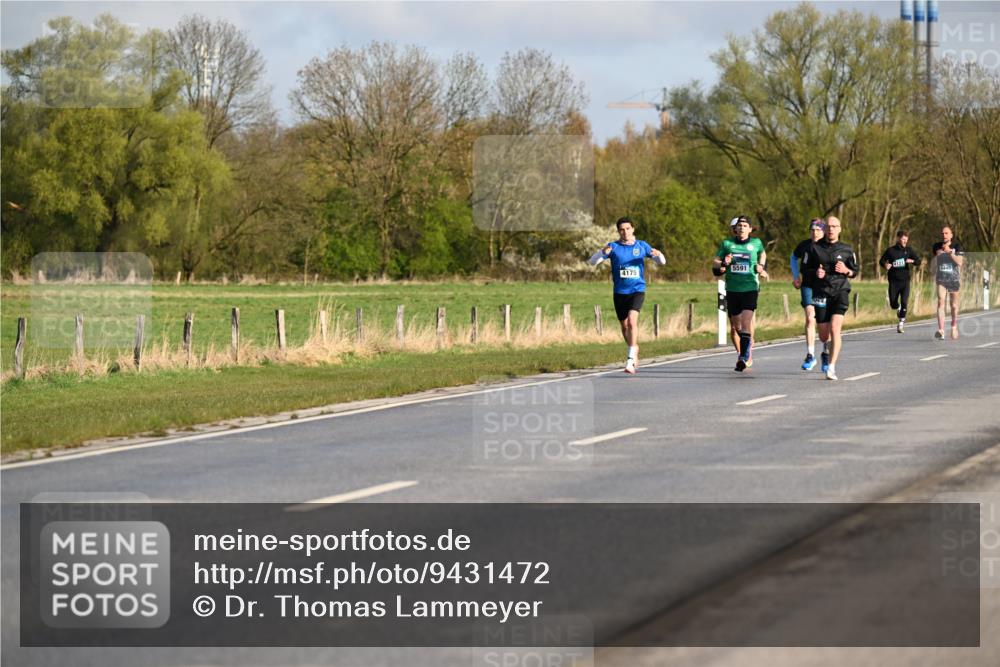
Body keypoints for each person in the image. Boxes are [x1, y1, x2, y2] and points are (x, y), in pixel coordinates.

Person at [589, 216, 666, 373]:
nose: (625, 232)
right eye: (621, 230)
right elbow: (592, 262)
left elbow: (661, 262)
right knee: (624, 327)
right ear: (618, 231)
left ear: (633, 229)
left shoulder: (641, 246)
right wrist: (601, 253)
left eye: (628, 229)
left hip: (637, 290)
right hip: (619, 292)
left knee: (632, 322)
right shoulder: (613, 247)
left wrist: (659, 255)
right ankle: (634, 347)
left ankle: (630, 359)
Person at [802, 216, 858, 381]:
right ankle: (825, 349)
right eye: (829, 226)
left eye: (835, 226)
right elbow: (804, 269)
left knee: (835, 329)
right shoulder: (813, 249)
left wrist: (846, 270)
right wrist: (815, 273)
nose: (831, 229)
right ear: (825, 229)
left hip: (840, 291)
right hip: (821, 292)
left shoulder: (847, 250)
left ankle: (831, 367)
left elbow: (855, 271)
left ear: (840, 229)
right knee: (824, 335)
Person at [712, 215, 768, 372]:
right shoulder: (727, 244)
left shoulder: (756, 243)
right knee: (736, 327)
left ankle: (743, 357)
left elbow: (763, 254)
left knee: (746, 323)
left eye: (745, 225)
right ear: (735, 229)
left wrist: (761, 266)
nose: (742, 227)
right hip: (732, 289)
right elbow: (715, 260)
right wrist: (724, 262)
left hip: (750, 288)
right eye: (739, 225)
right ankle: (746, 350)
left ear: (750, 229)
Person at [791, 219, 825, 369]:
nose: (814, 232)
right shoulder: (804, 245)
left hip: (825, 286)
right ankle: (810, 355)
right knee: (810, 318)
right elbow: (793, 257)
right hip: (808, 285)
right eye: (812, 229)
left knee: (824, 322)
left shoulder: (828, 246)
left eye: (818, 230)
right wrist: (796, 276)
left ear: (823, 231)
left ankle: (826, 353)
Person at [879, 230, 921, 333]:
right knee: (893, 303)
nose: (905, 240)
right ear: (898, 238)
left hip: (905, 281)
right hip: (893, 281)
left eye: (906, 239)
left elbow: (918, 261)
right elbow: (881, 260)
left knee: (904, 301)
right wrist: (885, 265)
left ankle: (901, 323)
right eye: (903, 238)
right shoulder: (890, 251)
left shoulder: (909, 250)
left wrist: (912, 261)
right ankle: (898, 308)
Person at [930, 226, 965, 340]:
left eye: (946, 233)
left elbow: (960, 263)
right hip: (941, 278)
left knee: (953, 306)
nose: (944, 235)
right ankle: (941, 330)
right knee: (941, 302)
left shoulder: (957, 247)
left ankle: (954, 326)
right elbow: (937, 257)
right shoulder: (936, 246)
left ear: (951, 235)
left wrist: (950, 252)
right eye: (942, 233)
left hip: (953, 279)